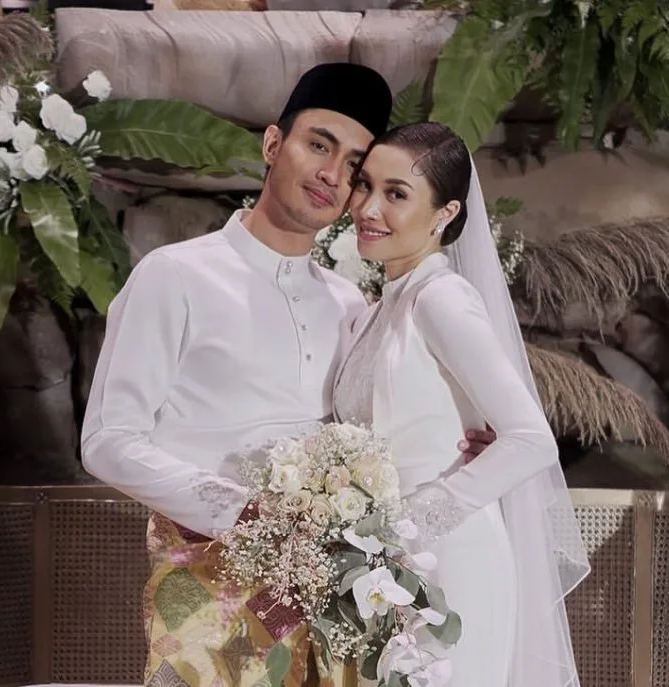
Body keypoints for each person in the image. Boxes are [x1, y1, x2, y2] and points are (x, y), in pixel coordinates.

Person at [79, 64, 494, 687]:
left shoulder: (350, 303)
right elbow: (107, 441)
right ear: (273, 144)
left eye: (354, 166)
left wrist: (465, 441)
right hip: (209, 577)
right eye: (319, 145)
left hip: (335, 586)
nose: (332, 174)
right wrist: (246, 514)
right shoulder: (175, 276)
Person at [333, 121, 591, 686]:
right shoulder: (377, 310)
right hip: (382, 566)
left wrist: (407, 525)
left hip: (449, 556)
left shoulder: (441, 299)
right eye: (365, 185)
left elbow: (531, 439)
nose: (368, 208)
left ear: (445, 213)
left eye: (396, 194)